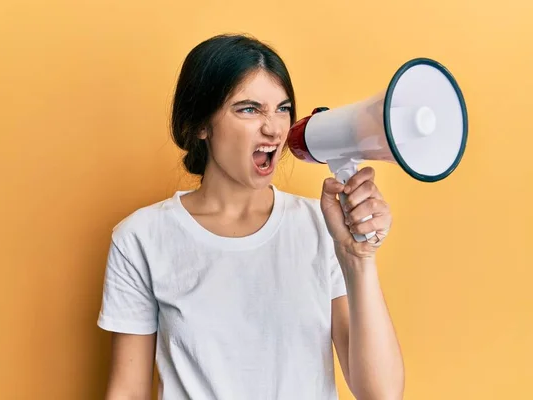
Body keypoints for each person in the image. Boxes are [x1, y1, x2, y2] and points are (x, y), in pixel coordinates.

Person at [97, 33, 405, 400]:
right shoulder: (141, 237)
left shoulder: (323, 227)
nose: (274, 127)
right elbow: (127, 392)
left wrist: (358, 259)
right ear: (200, 125)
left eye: (283, 107)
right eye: (249, 108)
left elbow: (381, 394)